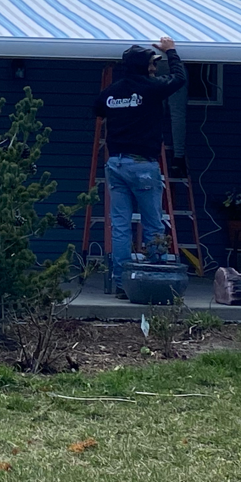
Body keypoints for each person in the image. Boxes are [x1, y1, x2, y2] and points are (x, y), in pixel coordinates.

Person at [93, 36, 187, 299]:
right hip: (143, 164)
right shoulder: (150, 87)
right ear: (143, 67)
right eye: (152, 64)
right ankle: (154, 278)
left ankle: (123, 282)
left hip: (116, 163)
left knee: (120, 226)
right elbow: (179, 80)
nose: (155, 69)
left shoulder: (112, 91)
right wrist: (172, 52)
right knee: (153, 224)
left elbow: (97, 108)